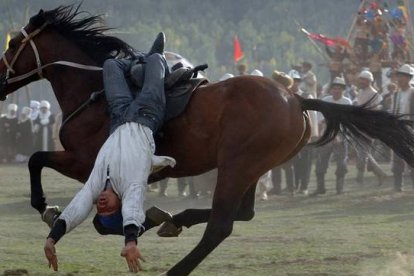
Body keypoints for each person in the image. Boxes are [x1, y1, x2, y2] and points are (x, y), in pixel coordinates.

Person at [43, 32, 177, 273]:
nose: (102, 205)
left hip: (119, 115)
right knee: (158, 61)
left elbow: (75, 210)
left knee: (111, 65)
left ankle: (138, 60)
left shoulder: (95, 185)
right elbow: (133, 210)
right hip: (147, 114)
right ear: (120, 204)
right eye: (109, 210)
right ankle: (149, 59)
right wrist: (131, 241)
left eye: (100, 210)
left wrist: (52, 239)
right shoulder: (131, 186)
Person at [312, 77, 352, 195]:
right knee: (321, 162)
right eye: (334, 88)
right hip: (327, 133)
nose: (336, 91)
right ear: (331, 90)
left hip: (342, 134)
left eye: (339, 89)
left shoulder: (347, 102)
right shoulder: (326, 101)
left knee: (341, 163)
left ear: (343, 90)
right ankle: (321, 188)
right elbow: (321, 120)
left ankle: (339, 188)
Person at [288, 70, 319, 195]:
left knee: (305, 162)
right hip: (291, 137)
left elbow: (313, 117)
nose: (293, 84)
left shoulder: (306, 97)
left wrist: (312, 134)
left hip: (306, 135)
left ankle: (304, 186)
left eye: (296, 81)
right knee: (294, 162)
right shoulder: (285, 97)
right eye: (291, 81)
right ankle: (295, 185)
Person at [354, 70, 386, 185]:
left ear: (368, 81)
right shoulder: (360, 92)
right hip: (360, 125)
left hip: (369, 126)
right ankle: (380, 173)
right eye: (360, 79)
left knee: (363, 151)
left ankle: (360, 176)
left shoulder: (374, 94)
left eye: (362, 79)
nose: (361, 81)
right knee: (363, 151)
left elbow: (376, 111)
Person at [391, 64, 414, 192]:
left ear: (409, 78)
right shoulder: (397, 94)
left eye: (402, 76)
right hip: (398, 129)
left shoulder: (413, 92)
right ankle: (398, 185)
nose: (399, 79)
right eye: (399, 76)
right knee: (397, 159)